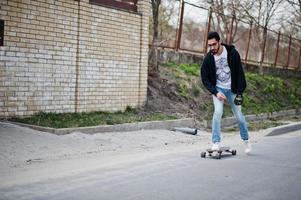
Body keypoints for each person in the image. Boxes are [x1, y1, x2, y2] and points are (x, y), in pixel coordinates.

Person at [200, 31, 251, 154]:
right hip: (219, 89)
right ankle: (216, 142)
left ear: (219, 42)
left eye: (214, 44)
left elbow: (240, 74)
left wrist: (239, 93)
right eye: (209, 45)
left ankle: (246, 140)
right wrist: (216, 92)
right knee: (218, 112)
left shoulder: (232, 54)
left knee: (239, 117)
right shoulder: (208, 58)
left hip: (232, 89)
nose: (212, 48)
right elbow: (204, 78)